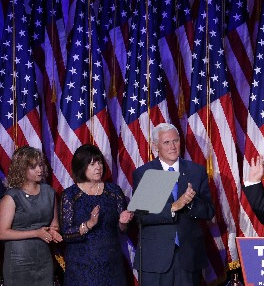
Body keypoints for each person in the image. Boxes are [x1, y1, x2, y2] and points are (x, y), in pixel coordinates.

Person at [132, 123, 215, 286]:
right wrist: (173, 207)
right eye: (166, 143)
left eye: (175, 141)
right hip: (156, 260)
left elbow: (209, 212)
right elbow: (142, 217)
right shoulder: (148, 173)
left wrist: (190, 202)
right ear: (156, 146)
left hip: (188, 258)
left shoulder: (195, 171)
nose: (172, 147)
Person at [59, 144, 133, 286]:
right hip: (81, 267)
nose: (98, 167)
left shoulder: (114, 191)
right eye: (92, 164)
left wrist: (123, 222)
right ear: (81, 166)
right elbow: (67, 234)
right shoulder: (70, 195)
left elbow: (122, 230)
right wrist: (89, 224)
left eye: (99, 162)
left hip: (111, 264)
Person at [0, 146, 62, 286]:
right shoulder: (12, 196)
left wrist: (53, 231)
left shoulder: (49, 192)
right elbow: (2, 232)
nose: (39, 170)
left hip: (44, 260)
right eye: (33, 167)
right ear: (22, 169)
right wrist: (35, 233)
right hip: (18, 262)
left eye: (40, 164)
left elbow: (55, 224)